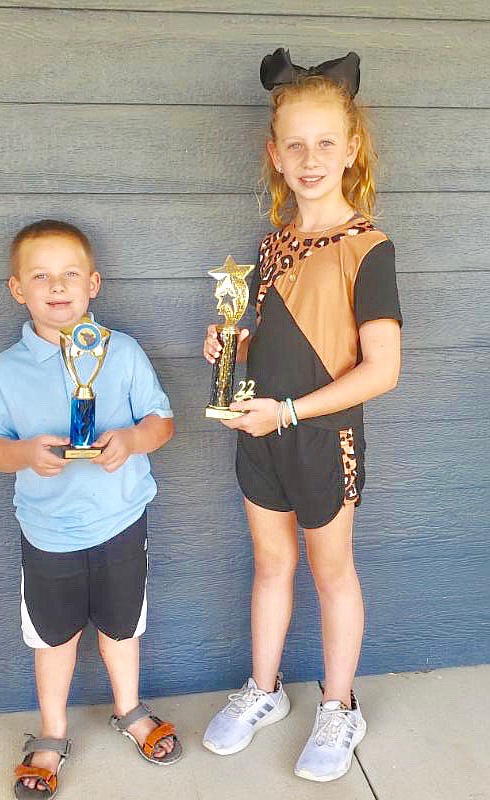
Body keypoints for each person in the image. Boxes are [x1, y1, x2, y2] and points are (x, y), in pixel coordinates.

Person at [202, 49, 402, 782]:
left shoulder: (368, 248)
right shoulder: (274, 242)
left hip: (319, 438)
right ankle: (264, 691)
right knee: (270, 563)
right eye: (295, 144)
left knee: (331, 573)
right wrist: (232, 342)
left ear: (351, 148)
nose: (310, 158)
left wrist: (286, 412)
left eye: (325, 143)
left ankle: (339, 705)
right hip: (260, 433)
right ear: (273, 154)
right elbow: (280, 334)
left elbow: (380, 370)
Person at [0, 219, 181, 799]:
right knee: (54, 638)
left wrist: (133, 441)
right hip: (47, 533)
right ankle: (52, 735)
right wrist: (23, 453)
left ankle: (131, 710)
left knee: (121, 628)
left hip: (121, 521)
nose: (56, 286)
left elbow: (162, 421)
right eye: (40, 276)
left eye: (69, 275)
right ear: (18, 289)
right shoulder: (5, 370)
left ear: (94, 283)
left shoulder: (125, 351)